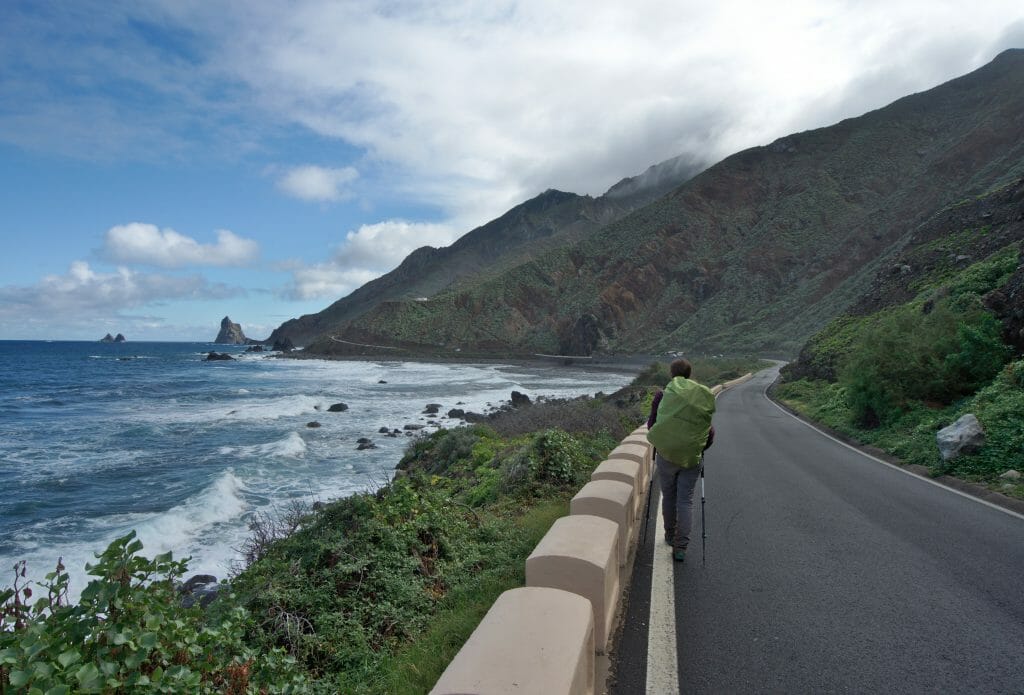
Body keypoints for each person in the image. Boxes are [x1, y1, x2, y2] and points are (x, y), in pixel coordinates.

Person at [646, 358, 716, 562]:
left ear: (671, 374)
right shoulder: (700, 396)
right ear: (689, 374)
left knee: (668, 497)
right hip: (692, 458)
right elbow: (709, 432)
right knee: (685, 501)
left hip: (666, 456)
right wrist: (699, 447)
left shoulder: (662, 395)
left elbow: (652, 425)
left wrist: (666, 439)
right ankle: (681, 548)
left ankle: (669, 535)